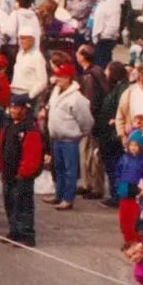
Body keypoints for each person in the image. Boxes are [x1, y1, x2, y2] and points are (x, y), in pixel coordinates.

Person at [46, 62, 94, 211]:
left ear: (68, 78)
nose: (58, 79)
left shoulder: (76, 98)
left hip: (69, 138)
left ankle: (68, 198)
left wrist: (81, 133)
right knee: (58, 168)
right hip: (56, 137)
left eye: (61, 76)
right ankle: (59, 194)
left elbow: (86, 119)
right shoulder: (56, 91)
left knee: (70, 169)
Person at [0, 93, 44, 247]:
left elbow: (32, 153)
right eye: (11, 107)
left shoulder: (30, 128)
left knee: (23, 205)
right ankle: (14, 232)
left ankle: (26, 235)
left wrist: (24, 172)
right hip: (8, 172)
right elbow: (2, 146)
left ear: (24, 109)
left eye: (16, 107)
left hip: (21, 175)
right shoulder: (8, 125)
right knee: (10, 204)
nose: (12, 110)